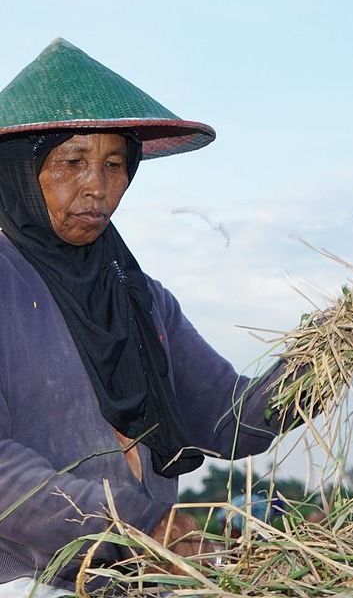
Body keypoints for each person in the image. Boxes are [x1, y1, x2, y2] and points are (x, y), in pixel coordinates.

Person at [0, 39, 287, 596]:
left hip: (139, 579)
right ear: (18, 172)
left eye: (114, 165)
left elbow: (233, 420)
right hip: (25, 578)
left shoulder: (142, 298)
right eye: (71, 162)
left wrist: (334, 355)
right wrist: (139, 524)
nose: (98, 188)